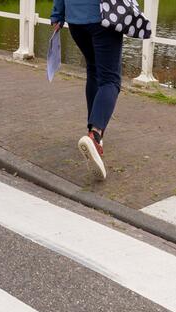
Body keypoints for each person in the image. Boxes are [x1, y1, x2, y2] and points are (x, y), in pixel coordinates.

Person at [51, 0, 123, 179]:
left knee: (93, 70)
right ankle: (95, 135)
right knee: (110, 80)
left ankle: (93, 132)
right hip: (103, 17)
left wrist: (57, 14)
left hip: (76, 21)